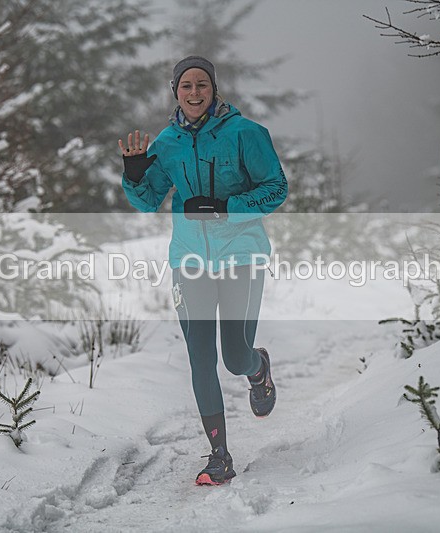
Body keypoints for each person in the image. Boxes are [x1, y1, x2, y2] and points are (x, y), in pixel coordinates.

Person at [117, 56, 288, 485]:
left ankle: (257, 368)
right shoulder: (168, 142)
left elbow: (276, 188)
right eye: (186, 86)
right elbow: (146, 201)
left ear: (214, 89)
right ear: (175, 91)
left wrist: (228, 208)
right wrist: (135, 175)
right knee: (200, 356)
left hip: (241, 255)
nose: (194, 93)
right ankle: (219, 455)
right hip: (189, 260)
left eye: (202, 85)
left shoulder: (246, 133)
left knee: (233, 356)